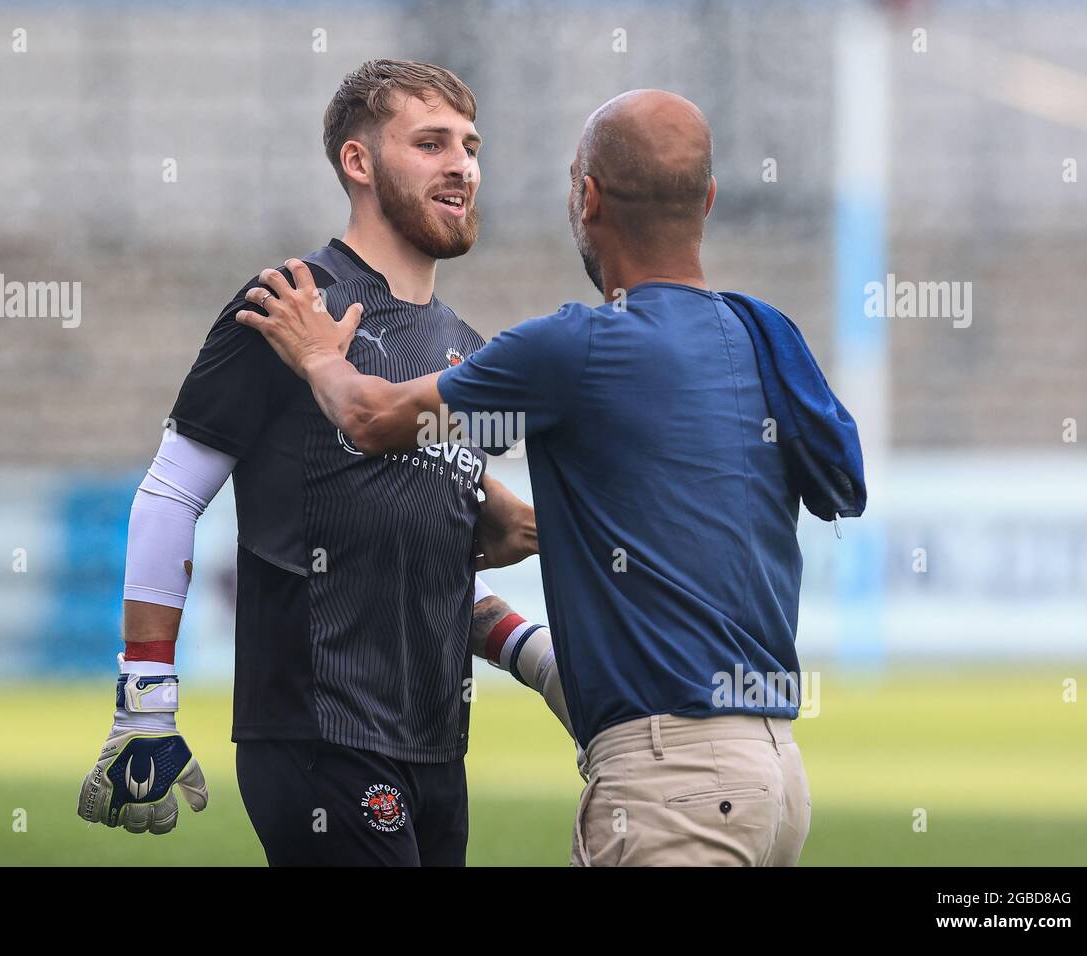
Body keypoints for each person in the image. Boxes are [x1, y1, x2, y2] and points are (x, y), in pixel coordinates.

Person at [236, 89, 866, 866]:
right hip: (775, 779)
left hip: (672, 785)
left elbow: (370, 420)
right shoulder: (764, 333)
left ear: (588, 199)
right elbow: (825, 489)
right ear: (706, 199)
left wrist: (318, 354)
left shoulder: (574, 349)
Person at [77, 59, 572, 867]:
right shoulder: (290, 304)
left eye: (471, 146)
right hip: (317, 732)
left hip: (437, 743)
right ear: (359, 162)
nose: (462, 165)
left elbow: (420, 553)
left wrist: (531, 652)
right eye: (431, 142)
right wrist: (147, 701)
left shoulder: (466, 351)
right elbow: (170, 493)